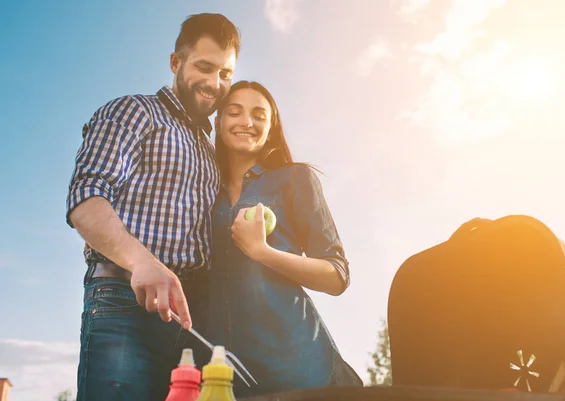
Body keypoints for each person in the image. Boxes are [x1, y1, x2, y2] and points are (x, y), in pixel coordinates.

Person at [65, 13, 241, 401]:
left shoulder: (212, 152)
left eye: (225, 74)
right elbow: (86, 197)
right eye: (205, 67)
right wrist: (142, 261)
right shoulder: (135, 112)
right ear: (176, 63)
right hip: (124, 300)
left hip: (190, 319)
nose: (215, 84)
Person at [207, 80, 363, 398]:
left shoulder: (295, 179)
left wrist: (261, 252)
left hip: (299, 367)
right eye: (234, 112)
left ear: (271, 126)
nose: (246, 122)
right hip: (219, 373)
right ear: (219, 121)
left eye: (259, 115)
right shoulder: (201, 191)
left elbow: (336, 276)